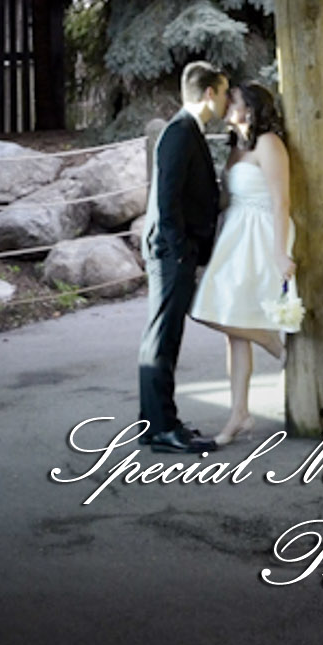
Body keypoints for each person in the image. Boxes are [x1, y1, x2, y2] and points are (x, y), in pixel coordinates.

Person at [190, 81, 295, 446]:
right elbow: (224, 198)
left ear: (248, 109)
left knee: (228, 317)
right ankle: (239, 414)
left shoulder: (269, 144)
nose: (225, 105)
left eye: (231, 100)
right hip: (234, 231)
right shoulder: (236, 147)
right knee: (224, 320)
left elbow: (281, 201)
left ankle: (279, 348)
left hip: (262, 232)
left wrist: (281, 252)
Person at [137, 60, 229, 453]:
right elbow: (166, 197)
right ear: (210, 93)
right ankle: (161, 429)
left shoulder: (188, 129)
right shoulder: (178, 132)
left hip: (177, 250)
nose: (226, 101)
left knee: (165, 336)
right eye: (224, 92)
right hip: (170, 253)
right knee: (162, 338)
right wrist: (178, 252)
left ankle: (157, 422)